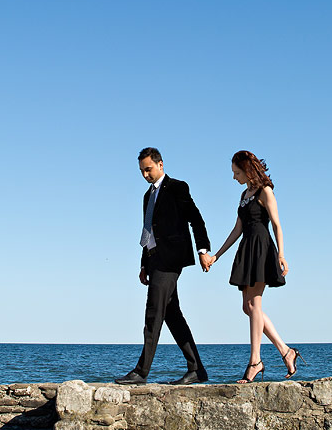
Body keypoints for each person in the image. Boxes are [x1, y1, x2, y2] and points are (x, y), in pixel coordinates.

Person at [115, 147, 214, 385]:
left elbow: (196, 219)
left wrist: (203, 250)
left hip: (171, 259)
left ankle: (141, 372)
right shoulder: (147, 197)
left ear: (160, 164)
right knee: (172, 315)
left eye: (148, 169)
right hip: (154, 260)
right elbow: (148, 230)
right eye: (141, 171)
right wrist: (143, 264)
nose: (145, 175)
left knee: (153, 312)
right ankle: (197, 369)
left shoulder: (178, 187)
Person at [206, 150, 300, 382]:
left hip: (261, 249)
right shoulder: (243, 195)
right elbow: (237, 229)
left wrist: (281, 255)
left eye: (236, 172)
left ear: (247, 169)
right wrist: (217, 255)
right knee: (248, 307)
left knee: (254, 304)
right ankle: (286, 351)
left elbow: (277, 225)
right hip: (247, 248)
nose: (234, 177)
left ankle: (255, 362)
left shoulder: (265, 191)